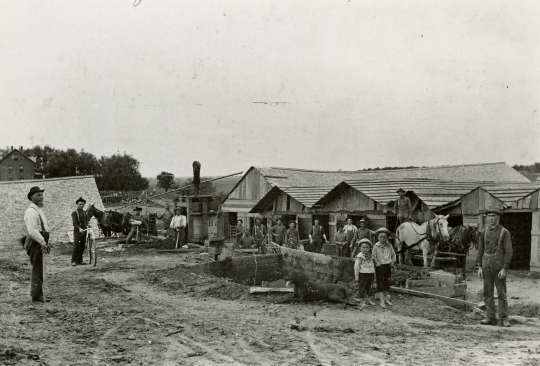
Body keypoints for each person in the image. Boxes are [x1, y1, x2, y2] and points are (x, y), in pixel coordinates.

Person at [477, 206, 513, 327]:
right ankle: (490, 317)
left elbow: (509, 251)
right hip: (486, 264)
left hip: (498, 265)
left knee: (501, 293)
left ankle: (503, 319)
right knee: (487, 292)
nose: (491, 218)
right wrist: (479, 267)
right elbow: (480, 250)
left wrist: (504, 268)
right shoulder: (484, 232)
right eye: (489, 216)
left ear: (497, 217)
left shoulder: (504, 232)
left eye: (493, 216)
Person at [24, 186, 51, 302]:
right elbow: (32, 231)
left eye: (41, 195)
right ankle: (36, 295)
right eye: (38, 195)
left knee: (41, 267)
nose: (41, 197)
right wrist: (43, 242)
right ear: (31, 197)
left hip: (39, 241)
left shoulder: (39, 209)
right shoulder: (31, 211)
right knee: (37, 268)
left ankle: (39, 292)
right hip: (35, 242)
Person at [372, 228, 396, 309]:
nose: (383, 239)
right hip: (380, 267)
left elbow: (393, 255)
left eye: (384, 237)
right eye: (381, 237)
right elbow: (374, 257)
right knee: (380, 283)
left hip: (388, 266)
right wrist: (377, 263)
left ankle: (386, 299)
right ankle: (381, 300)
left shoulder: (389, 245)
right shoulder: (376, 246)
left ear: (387, 237)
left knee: (387, 282)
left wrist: (392, 262)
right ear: (378, 237)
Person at [354, 239, 376, 306]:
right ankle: (361, 300)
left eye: (367, 247)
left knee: (370, 287)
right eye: (363, 247)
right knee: (362, 287)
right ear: (360, 248)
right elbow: (356, 267)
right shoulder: (359, 257)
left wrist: (373, 273)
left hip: (370, 274)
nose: (365, 249)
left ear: (370, 248)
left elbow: (373, 265)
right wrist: (356, 276)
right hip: (363, 274)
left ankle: (369, 299)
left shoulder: (371, 256)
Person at [71, 197, 89, 266]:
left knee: (82, 246)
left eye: (83, 204)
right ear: (77, 204)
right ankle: (74, 261)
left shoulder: (84, 212)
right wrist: (79, 229)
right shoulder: (74, 213)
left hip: (84, 231)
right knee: (76, 246)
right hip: (77, 232)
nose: (81, 206)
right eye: (80, 204)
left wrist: (88, 225)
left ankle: (80, 260)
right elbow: (74, 223)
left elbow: (86, 221)